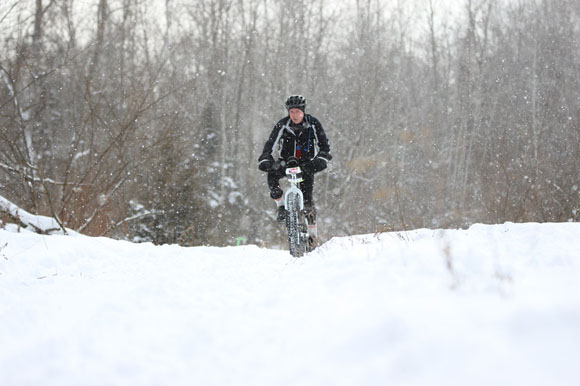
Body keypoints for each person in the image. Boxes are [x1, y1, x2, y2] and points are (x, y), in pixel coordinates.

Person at [258, 95, 332, 244]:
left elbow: (324, 146)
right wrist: (266, 158)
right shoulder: (282, 125)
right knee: (272, 175)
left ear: (303, 112)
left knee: (308, 201)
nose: (295, 115)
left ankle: (312, 235)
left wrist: (321, 159)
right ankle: (280, 205)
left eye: (298, 111)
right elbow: (270, 144)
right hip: (286, 163)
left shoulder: (313, 124)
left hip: (306, 165)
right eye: (291, 112)